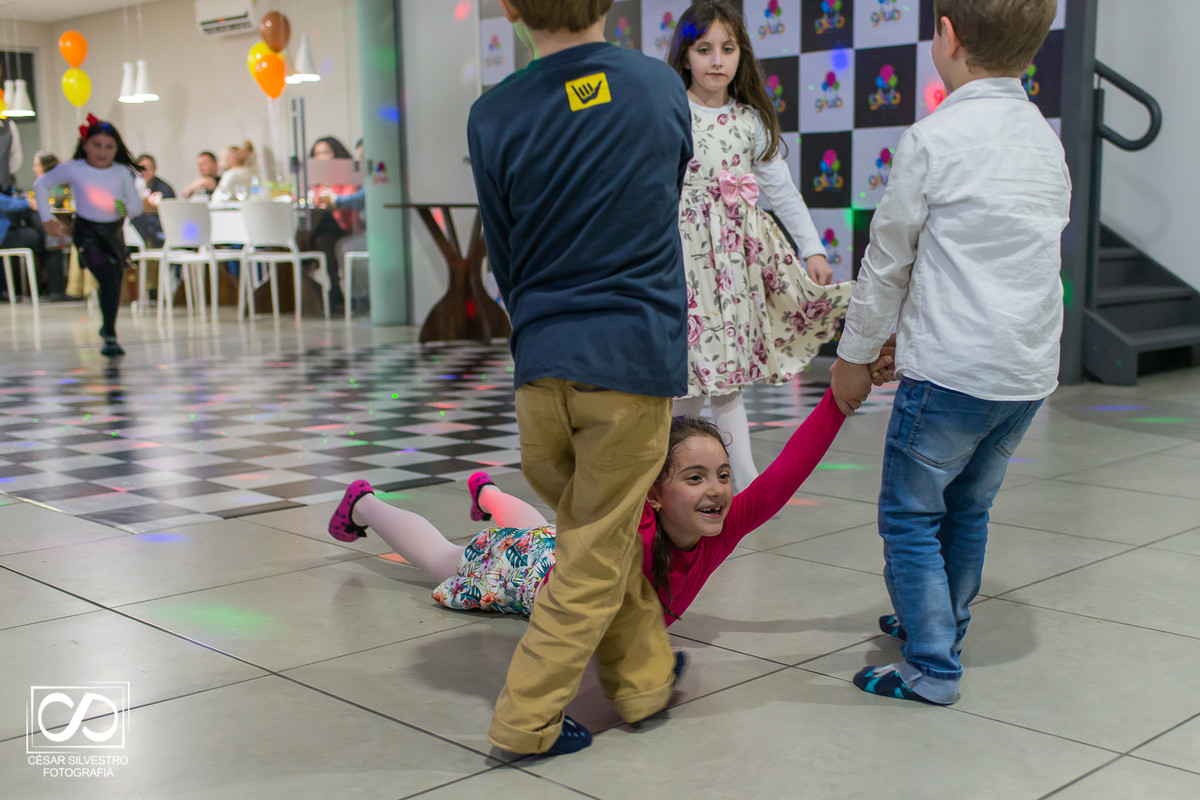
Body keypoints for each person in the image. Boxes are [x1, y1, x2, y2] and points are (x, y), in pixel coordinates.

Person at [466, 0, 692, 757]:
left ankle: (645, 679)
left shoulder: (493, 113)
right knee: (591, 555)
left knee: (602, 530)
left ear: (508, 7)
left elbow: (504, 256)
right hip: (631, 361)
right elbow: (665, 200)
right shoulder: (658, 88)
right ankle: (523, 721)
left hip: (540, 372)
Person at [829, 0, 1070, 706]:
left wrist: (854, 353)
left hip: (951, 376)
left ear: (949, 37)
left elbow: (888, 260)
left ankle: (932, 663)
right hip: (1022, 374)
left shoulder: (933, 138)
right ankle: (942, 619)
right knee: (969, 507)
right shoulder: (1042, 140)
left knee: (910, 514)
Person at [329, 389, 846, 623]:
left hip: (563, 546)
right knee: (450, 559)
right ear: (654, 495)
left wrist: (837, 402)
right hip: (539, 578)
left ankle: (486, 493)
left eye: (723, 476)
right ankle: (365, 505)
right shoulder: (636, 528)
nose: (716, 489)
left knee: (539, 527)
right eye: (695, 477)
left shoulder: (720, 526)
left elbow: (782, 477)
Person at [666, 1, 854, 491]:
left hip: (734, 269)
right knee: (690, 377)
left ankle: (738, 485)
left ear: (740, 55)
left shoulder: (751, 121)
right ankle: (669, 479)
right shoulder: (670, 111)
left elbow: (782, 191)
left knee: (724, 378)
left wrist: (812, 249)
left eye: (727, 48)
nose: (716, 60)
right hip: (685, 263)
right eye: (703, 48)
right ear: (684, 55)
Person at [36, 115, 143, 356]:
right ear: (85, 145)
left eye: (108, 147)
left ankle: (107, 328)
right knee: (107, 278)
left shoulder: (121, 173)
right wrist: (47, 220)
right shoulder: (74, 169)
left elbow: (136, 206)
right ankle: (111, 337)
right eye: (96, 145)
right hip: (87, 234)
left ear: (116, 149)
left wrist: (125, 207)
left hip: (114, 235)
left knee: (114, 282)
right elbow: (41, 185)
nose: (102, 152)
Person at [307, 135, 357, 309]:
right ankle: (316, 291)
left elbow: (350, 201)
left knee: (321, 239)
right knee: (308, 236)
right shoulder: (316, 183)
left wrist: (333, 198)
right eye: (317, 154)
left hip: (343, 226)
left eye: (325, 152)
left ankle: (333, 290)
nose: (321, 158)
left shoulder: (348, 178)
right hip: (322, 227)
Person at [130, 153, 175, 248]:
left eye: (148, 168)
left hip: (161, 230)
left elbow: (167, 210)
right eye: (141, 168)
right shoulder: (133, 186)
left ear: (155, 169)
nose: (144, 171)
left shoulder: (164, 188)